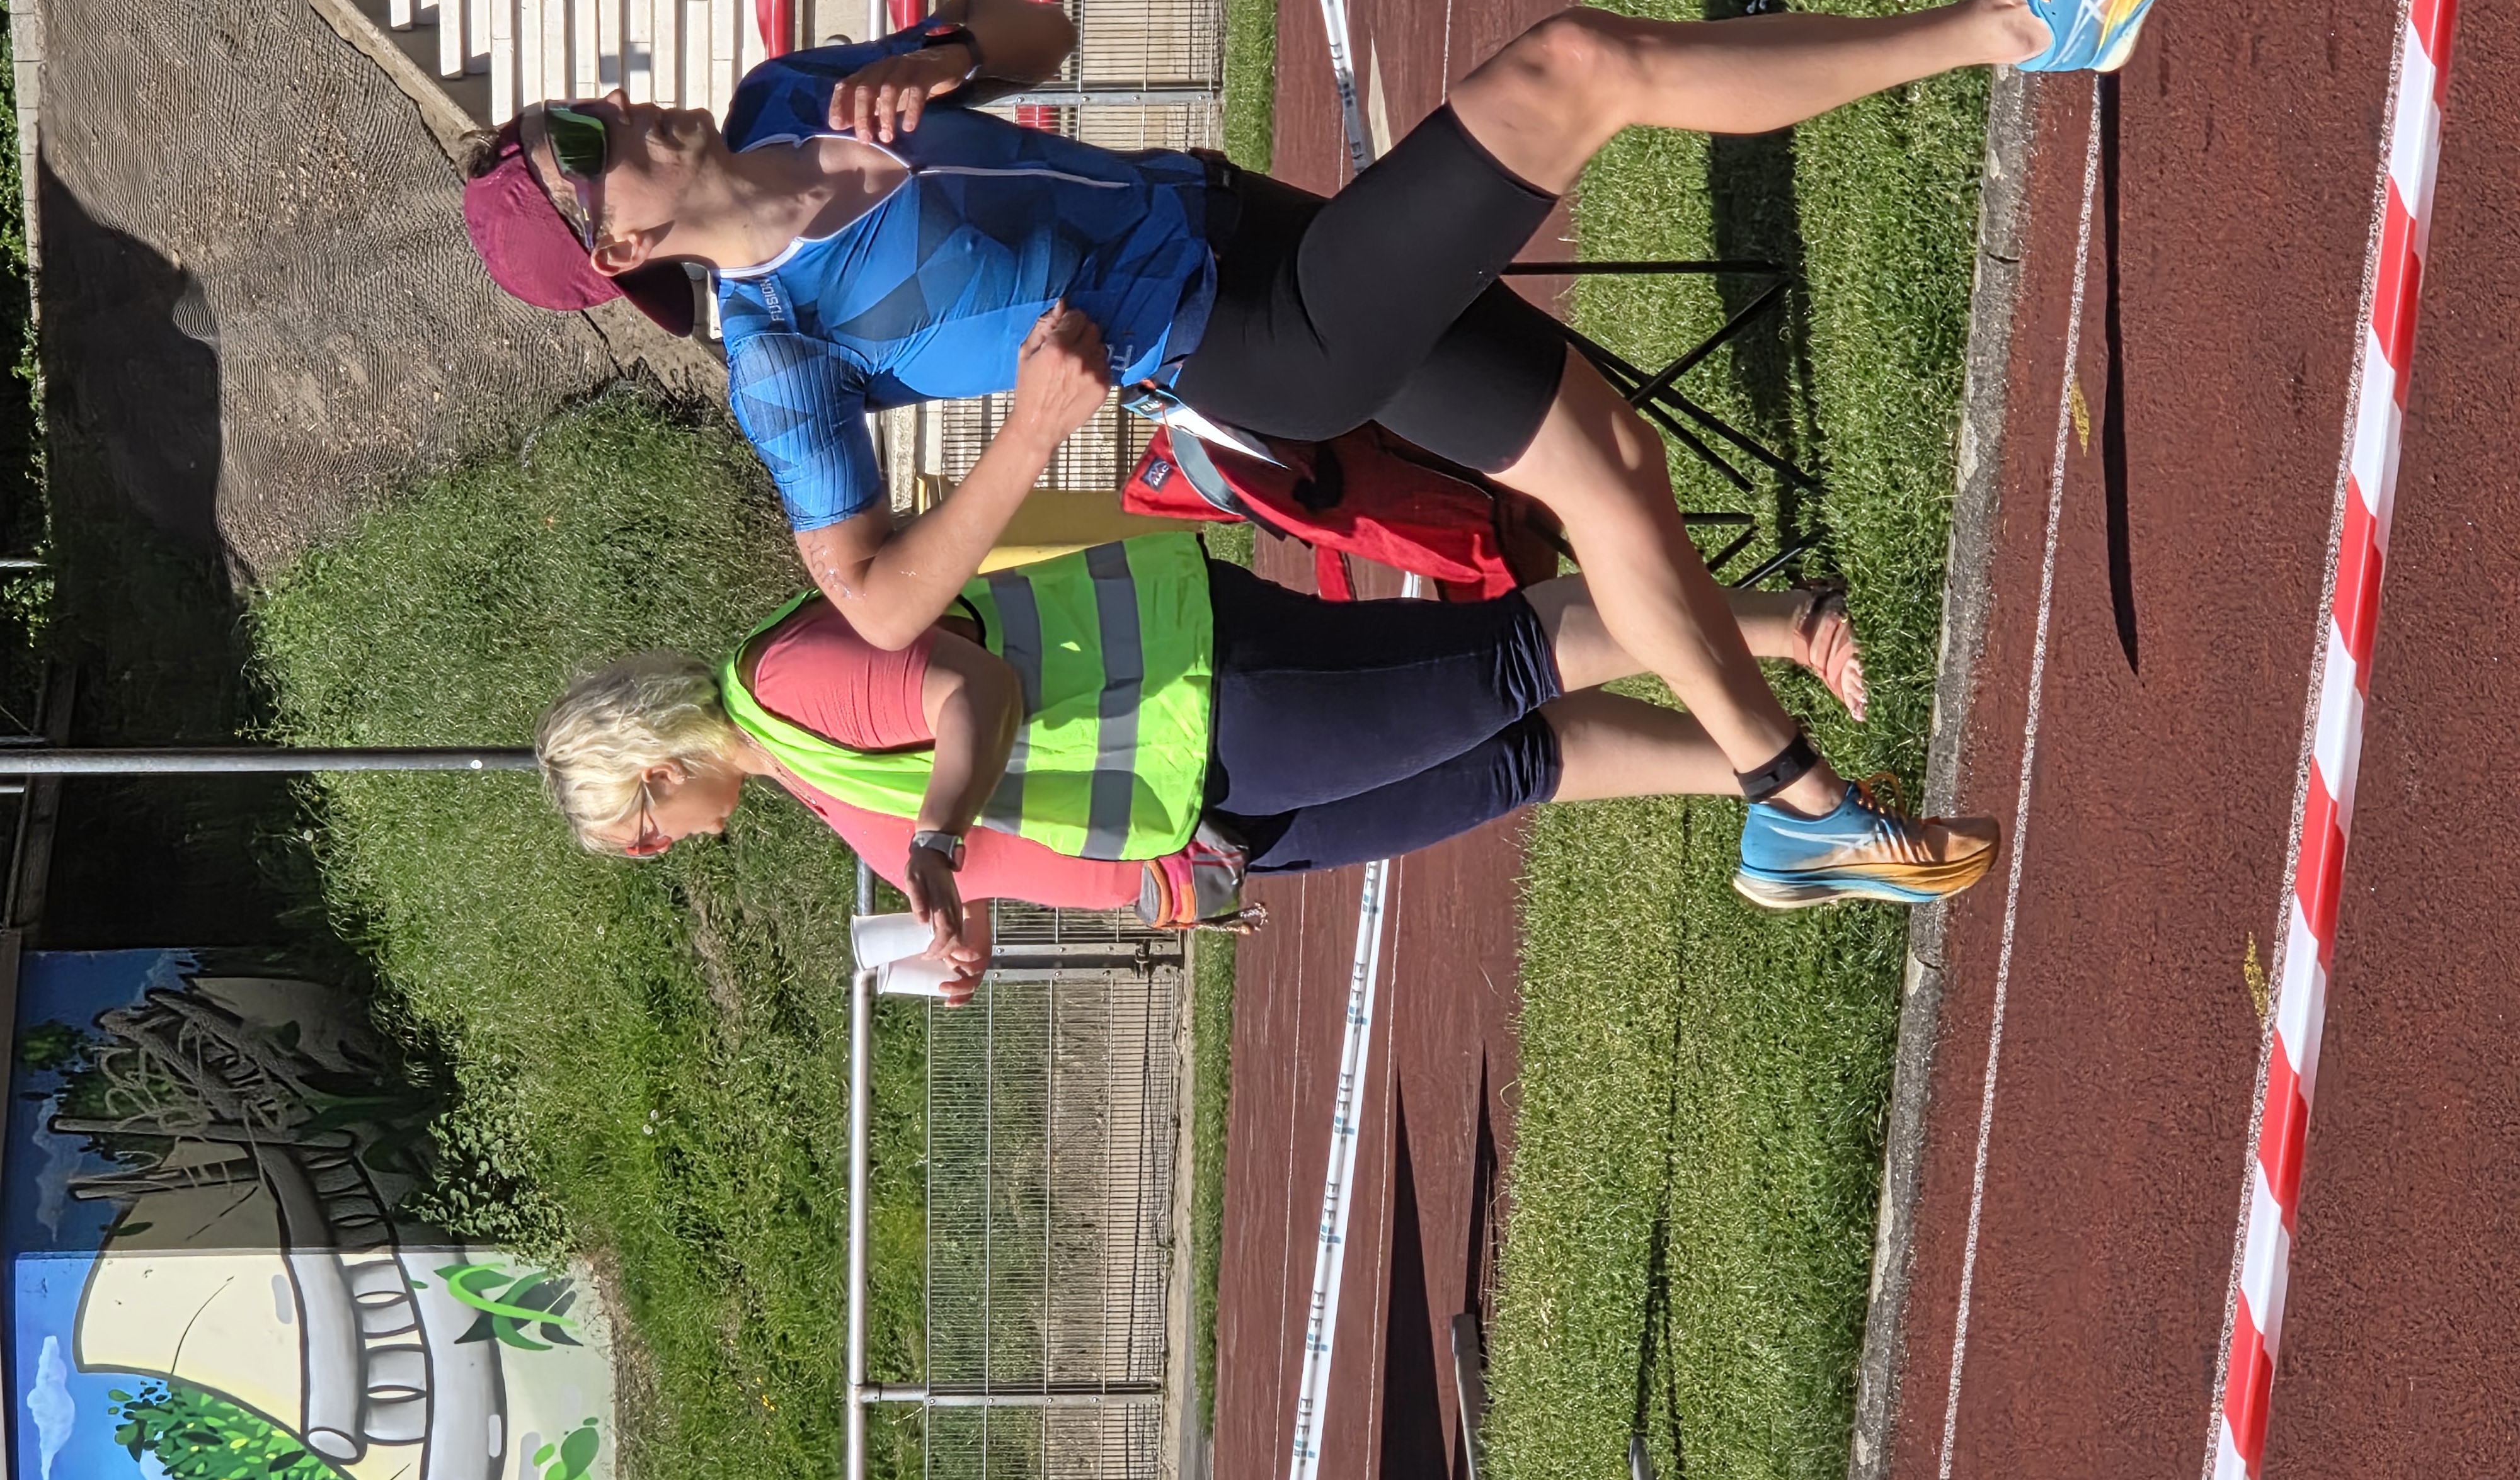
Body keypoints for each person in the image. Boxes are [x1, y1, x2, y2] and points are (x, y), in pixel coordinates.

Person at [469, 0, 2174, 911]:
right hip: (1255, 335)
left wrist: (938, 56)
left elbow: (1041, 38)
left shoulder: (787, 94)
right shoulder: (779, 354)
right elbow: (881, 600)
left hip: (1241, 221)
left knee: (1608, 468)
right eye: (588, 152)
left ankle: (1793, 818)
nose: (617, 120)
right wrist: (1039, 435)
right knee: (1573, 70)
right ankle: (2031, 24)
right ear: (617, 248)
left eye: (585, 115)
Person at [534, 531, 1983, 1003]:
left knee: (1500, 663)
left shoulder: (781, 680)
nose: (667, 852)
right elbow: (997, 819)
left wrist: (934, 850)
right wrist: (965, 924)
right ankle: (1760, 802)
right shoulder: (787, 764)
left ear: (653, 774)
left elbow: (971, 688)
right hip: (1204, 816)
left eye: (641, 835)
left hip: (1205, 700)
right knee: (1510, 762)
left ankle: (1787, 627)